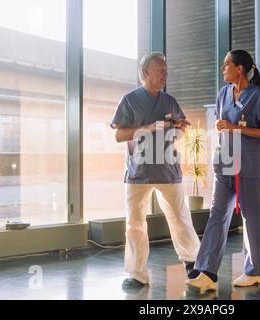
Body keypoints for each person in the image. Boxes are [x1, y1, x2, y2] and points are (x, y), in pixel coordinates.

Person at [186, 50, 260, 291]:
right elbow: (223, 124)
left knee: (249, 218)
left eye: (226, 64)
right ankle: (207, 271)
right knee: (217, 215)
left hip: (247, 166)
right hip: (224, 163)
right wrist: (222, 127)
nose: (222, 68)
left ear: (239, 68)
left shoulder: (258, 96)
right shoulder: (223, 93)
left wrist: (236, 128)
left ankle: (253, 271)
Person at [111, 52, 200, 290]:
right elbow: (119, 135)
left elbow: (181, 129)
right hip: (138, 171)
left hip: (167, 169)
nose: (165, 74)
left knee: (180, 217)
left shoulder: (170, 101)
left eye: (166, 70)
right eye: (161, 70)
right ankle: (136, 273)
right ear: (146, 73)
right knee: (135, 223)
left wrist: (179, 127)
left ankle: (193, 261)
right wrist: (147, 128)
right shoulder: (129, 100)